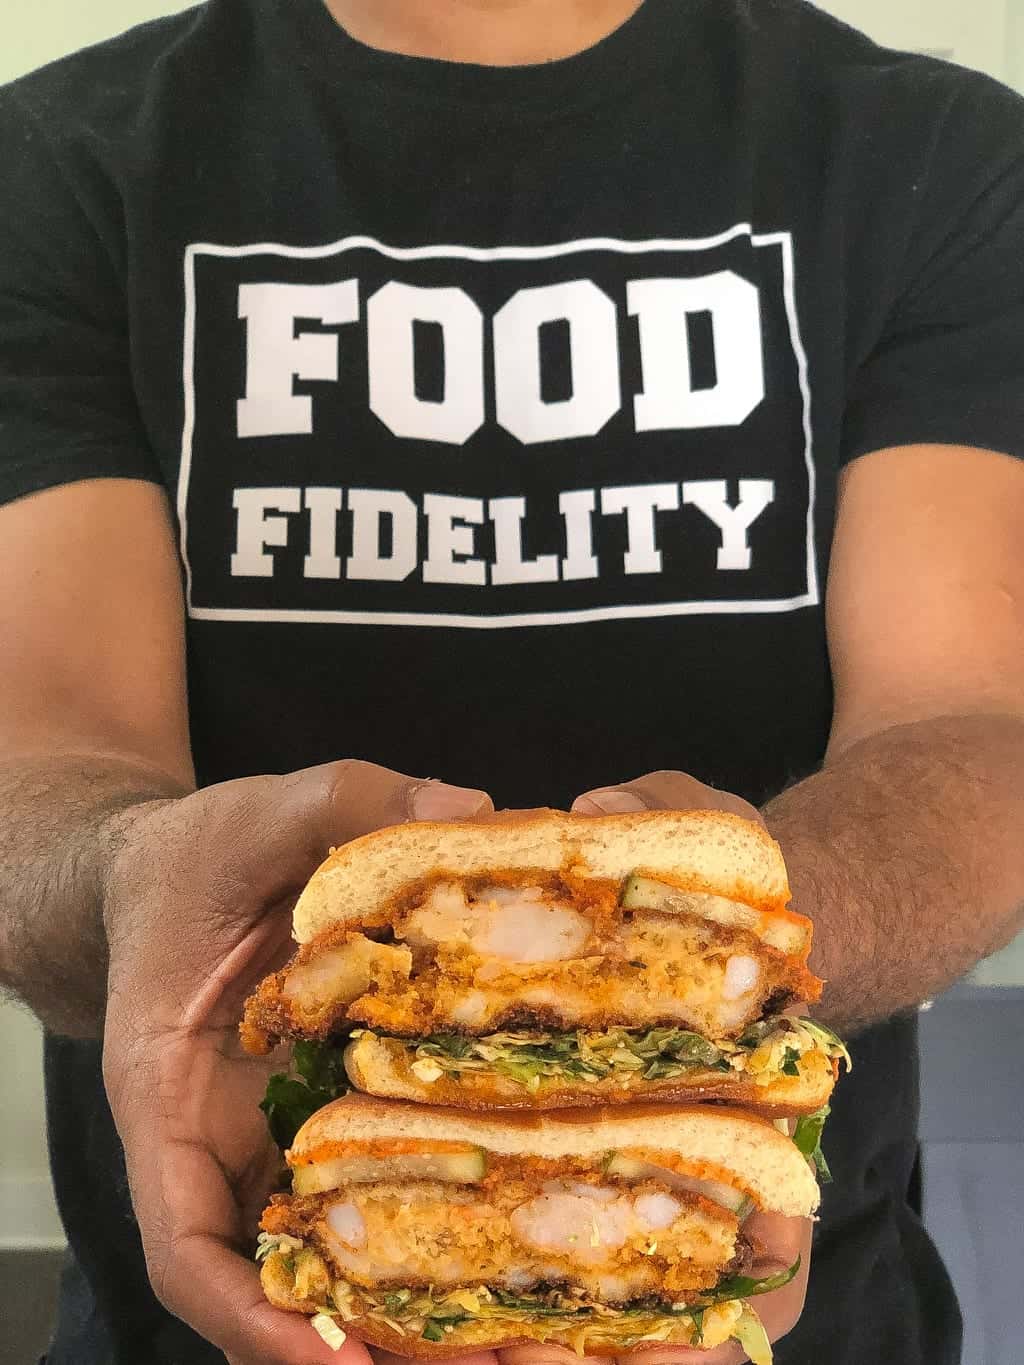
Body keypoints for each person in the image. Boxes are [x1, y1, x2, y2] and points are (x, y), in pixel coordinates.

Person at [1, 0, 1024, 1362]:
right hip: (217, 1290)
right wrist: (138, 892)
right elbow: (35, 760)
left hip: (790, 1287)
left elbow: (974, 725)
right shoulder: (55, 164)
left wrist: (704, 956)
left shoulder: (935, 155)